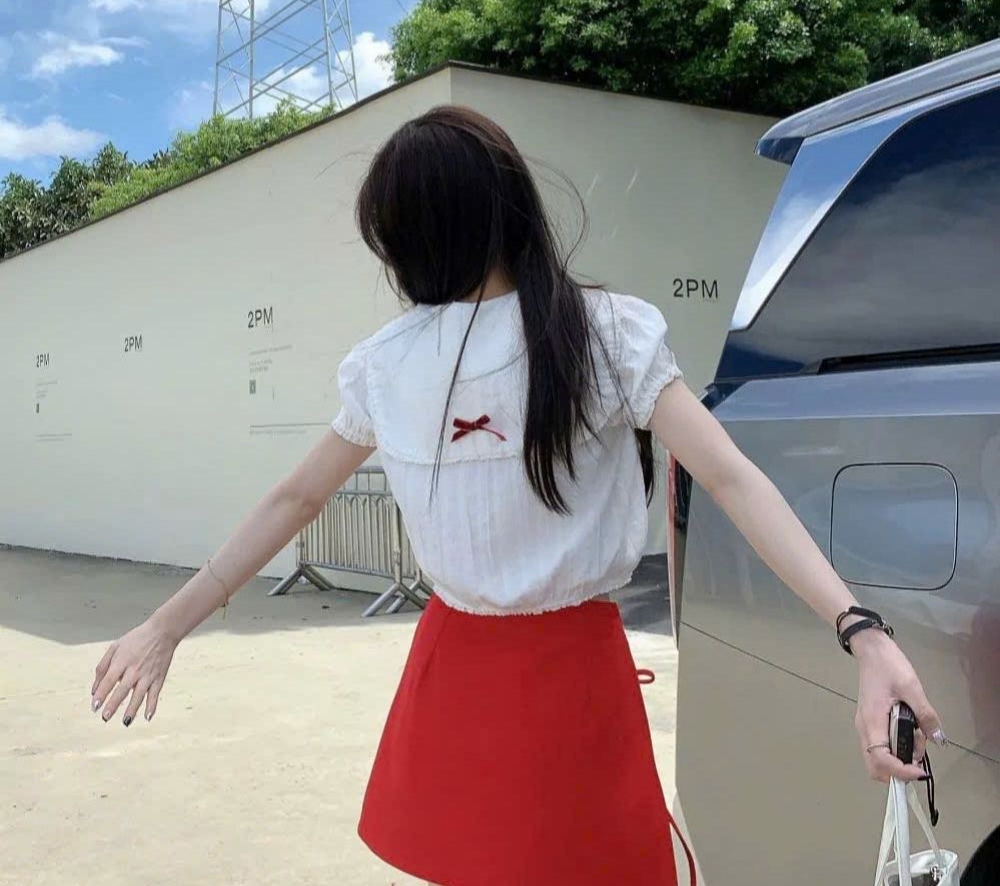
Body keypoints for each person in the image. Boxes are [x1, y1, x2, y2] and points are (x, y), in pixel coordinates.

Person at [89, 105, 945, 886]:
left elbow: (295, 500)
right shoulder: (586, 332)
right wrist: (859, 631)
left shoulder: (447, 354)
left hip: (490, 669)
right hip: (536, 668)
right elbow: (731, 478)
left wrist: (168, 625)